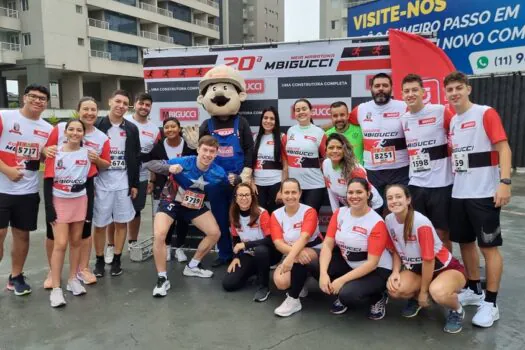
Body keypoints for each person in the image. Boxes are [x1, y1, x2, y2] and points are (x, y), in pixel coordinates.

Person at [445, 71, 511, 328]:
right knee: (465, 243)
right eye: (450, 90)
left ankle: (491, 303)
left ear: (468, 89)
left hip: (484, 193)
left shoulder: (486, 112)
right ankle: (474, 289)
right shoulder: (453, 122)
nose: (454, 94)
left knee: (489, 248)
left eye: (458, 88)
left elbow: (503, 147)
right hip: (459, 193)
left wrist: (504, 183)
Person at [145, 136, 240, 297]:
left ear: (216, 154)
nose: (207, 154)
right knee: (160, 235)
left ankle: (193, 266)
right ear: (198, 150)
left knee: (215, 233)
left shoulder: (218, 171)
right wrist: (168, 168)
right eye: (205, 150)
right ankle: (162, 278)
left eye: (212, 151)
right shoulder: (184, 161)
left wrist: (237, 179)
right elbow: (151, 164)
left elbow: (231, 181)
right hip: (171, 201)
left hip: (193, 205)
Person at [42, 97, 111, 287]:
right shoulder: (59, 130)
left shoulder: (101, 138)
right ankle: (52, 273)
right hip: (58, 196)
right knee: (55, 238)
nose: (89, 113)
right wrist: (46, 150)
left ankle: (82, 270)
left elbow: (105, 164)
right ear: (78, 110)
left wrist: (96, 159)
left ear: (97, 113)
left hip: (82, 195)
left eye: (93, 110)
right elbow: (44, 152)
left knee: (81, 236)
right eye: (85, 109)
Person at [384, 184, 467, 334]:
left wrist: (424, 291)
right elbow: (395, 250)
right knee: (395, 290)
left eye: (398, 197)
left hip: (445, 268)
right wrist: (395, 272)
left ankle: (457, 310)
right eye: (390, 198)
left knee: (438, 292)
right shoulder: (389, 220)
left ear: (408, 199)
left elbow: (429, 261)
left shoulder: (420, 223)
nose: (394, 201)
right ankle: (417, 298)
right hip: (418, 270)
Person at [197, 66, 255, 267]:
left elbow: (250, 150)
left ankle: (243, 254)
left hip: (238, 181)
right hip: (215, 182)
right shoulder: (206, 125)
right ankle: (224, 255)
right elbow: (201, 154)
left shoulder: (242, 123)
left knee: (240, 220)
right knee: (219, 219)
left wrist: (245, 175)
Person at [0, 84, 52, 296]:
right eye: (33, 96)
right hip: (2, 188)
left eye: (42, 98)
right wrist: (7, 170)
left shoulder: (48, 129)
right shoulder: (5, 117)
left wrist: (45, 153)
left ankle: (16, 276)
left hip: (28, 191)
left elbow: (41, 156)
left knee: (22, 236)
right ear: (24, 97)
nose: (37, 100)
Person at [320, 177, 392, 320]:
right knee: (316, 264)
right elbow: (327, 244)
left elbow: (372, 263)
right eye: (350, 192)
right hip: (350, 263)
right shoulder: (340, 213)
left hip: (376, 270)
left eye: (359, 192)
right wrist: (323, 274)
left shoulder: (376, 222)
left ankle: (378, 296)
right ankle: (346, 287)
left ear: (368, 194)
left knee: (348, 295)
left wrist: (341, 281)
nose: (354, 196)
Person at [43, 119, 98, 307]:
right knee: (60, 244)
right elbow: (47, 181)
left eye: (79, 130)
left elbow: (90, 183)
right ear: (65, 132)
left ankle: (73, 279)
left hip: (80, 201)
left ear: (84, 133)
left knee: (76, 242)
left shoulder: (88, 154)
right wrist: (49, 208)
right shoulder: (53, 152)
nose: (75, 133)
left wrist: (89, 208)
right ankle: (56, 289)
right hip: (59, 201)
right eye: (71, 129)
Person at [400, 74, 454, 252]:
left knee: (441, 233)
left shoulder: (439, 111)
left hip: (441, 184)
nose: (411, 94)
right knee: (419, 232)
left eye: (415, 90)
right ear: (402, 95)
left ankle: (446, 270)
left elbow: (457, 134)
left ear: (423, 92)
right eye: (407, 91)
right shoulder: (404, 119)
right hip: (416, 184)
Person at [92, 90, 141, 277]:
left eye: (125, 103)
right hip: (100, 184)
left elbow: (136, 158)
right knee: (100, 224)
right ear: (110, 101)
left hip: (123, 183)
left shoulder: (131, 128)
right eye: (118, 101)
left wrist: (134, 184)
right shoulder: (97, 125)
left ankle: (117, 260)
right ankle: (98, 260)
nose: (121, 105)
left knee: (121, 222)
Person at [106, 93, 160, 261]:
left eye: (147, 105)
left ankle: (132, 242)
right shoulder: (124, 122)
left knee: (136, 212)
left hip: (142, 177)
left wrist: (152, 179)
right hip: (117, 176)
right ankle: (110, 245)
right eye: (141, 103)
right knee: (113, 213)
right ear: (134, 105)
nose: (144, 107)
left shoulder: (154, 129)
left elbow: (154, 157)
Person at [348, 73, 408, 208]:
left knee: (401, 210)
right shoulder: (361, 109)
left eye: (385, 85)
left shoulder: (404, 107)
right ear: (371, 88)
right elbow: (342, 124)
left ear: (391, 88)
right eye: (377, 86)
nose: (381, 88)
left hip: (400, 169)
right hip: (373, 171)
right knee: (375, 210)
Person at [271, 178, 323, 317]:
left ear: (300, 193)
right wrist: (294, 254)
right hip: (292, 252)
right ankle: (301, 282)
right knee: (281, 282)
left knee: (298, 258)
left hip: (315, 249)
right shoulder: (276, 214)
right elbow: (278, 243)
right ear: (281, 194)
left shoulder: (309, 211)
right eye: (286, 192)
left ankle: (293, 300)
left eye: (294, 192)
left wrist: (291, 257)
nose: (290, 196)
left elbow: (305, 237)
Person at [222, 183, 282, 302]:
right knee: (229, 284)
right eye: (240, 195)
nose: (244, 198)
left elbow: (271, 240)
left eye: (247, 195)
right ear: (235, 198)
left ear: (252, 197)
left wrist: (246, 245)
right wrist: (235, 257)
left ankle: (264, 287)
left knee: (261, 250)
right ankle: (254, 271)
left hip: (269, 253)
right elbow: (235, 239)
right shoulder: (234, 214)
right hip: (249, 254)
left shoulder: (262, 213)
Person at [149, 117, 195, 262]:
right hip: (165, 188)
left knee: (183, 219)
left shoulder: (189, 145)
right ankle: (167, 247)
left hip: (186, 187)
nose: (170, 130)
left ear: (179, 128)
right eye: (167, 127)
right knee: (167, 219)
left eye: (173, 126)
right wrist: (151, 181)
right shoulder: (158, 147)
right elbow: (152, 165)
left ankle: (179, 248)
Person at [284, 99, 327, 213]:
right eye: (297, 110)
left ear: (311, 111)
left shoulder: (319, 132)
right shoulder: (290, 131)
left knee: (310, 220)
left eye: (304, 109)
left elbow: (327, 159)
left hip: (314, 185)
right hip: (294, 187)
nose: (301, 112)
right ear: (294, 114)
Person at [322, 133, 383, 214]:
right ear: (326, 150)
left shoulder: (355, 169)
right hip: (351, 205)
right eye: (331, 147)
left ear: (345, 150)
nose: (335, 151)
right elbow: (330, 191)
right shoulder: (325, 164)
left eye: (339, 148)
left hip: (370, 205)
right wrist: (335, 214)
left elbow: (366, 195)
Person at [252, 107, 287, 213]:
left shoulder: (282, 137)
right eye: (265, 118)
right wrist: (252, 182)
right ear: (261, 119)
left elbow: (286, 166)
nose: (268, 121)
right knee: (260, 218)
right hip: (258, 186)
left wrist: (282, 189)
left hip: (275, 184)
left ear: (276, 122)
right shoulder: (255, 137)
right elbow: (250, 163)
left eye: (272, 119)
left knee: (276, 218)